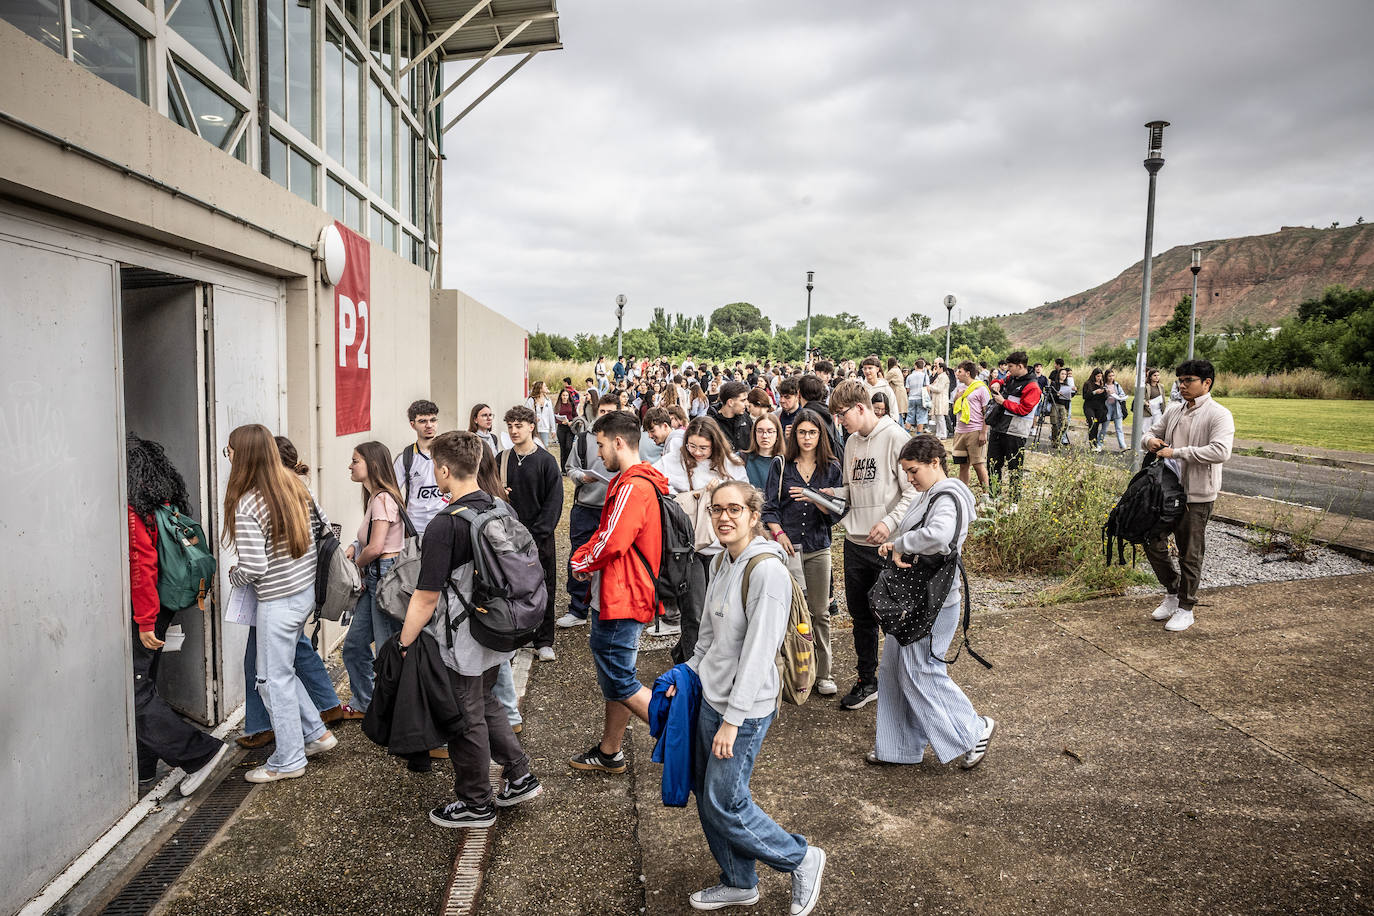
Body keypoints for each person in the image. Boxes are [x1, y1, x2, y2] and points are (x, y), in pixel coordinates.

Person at [674, 480, 827, 915]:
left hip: (745, 710)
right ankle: (739, 881)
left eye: (734, 509)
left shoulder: (766, 572)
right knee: (709, 797)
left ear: (754, 516)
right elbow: (707, 636)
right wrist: (687, 673)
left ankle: (800, 858)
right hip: (712, 697)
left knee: (726, 802)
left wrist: (732, 720)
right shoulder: (721, 559)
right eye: (717, 509)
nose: (724, 517)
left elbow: (760, 654)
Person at [397, 432, 540, 827]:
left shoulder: (445, 525)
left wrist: (404, 643)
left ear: (443, 470)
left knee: (465, 716)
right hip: (498, 624)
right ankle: (520, 775)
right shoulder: (499, 506)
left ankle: (476, 803)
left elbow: (426, 596)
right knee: (486, 701)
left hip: (463, 636)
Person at [871, 435, 996, 769]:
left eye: (913, 470)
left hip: (933, 601)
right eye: (906, 472)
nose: (909, 478)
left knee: (921, 670)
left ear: (935, 463)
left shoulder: (946, 495)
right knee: (895, 669)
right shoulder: (930, 494)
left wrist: (900, 544)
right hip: (917, 598)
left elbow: (939, 536)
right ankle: (899, 747)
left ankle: (975, 729)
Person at [223, 424, 337, 783]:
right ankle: (316, 734)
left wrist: (234, 575)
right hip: (303, 594)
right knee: (281, 674)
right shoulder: (296, 486)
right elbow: (324, 533)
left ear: (242, 456)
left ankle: (288, 760)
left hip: (277, 600)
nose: (228, 456)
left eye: (230, 450)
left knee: (271, 681)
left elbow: (255, 566)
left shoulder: (248, 503)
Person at [126, 434, 230, 794]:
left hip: (148, 612)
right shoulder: (161, 501)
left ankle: (199, 754)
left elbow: (141, 567)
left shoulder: (134, 510)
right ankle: (143, 769)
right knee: (144, 684)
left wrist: (144, 621)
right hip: (162, 608)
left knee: (134, 694)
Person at [568, 410, 669, 775]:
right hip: (623, 592)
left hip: (622, 595)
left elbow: (613, 541)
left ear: (619, 442)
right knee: (618, 676)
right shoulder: (637, 481)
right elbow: (607, 534)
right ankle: (610, 751)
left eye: (600, 445)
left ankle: (684, 737)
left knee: (621, 680)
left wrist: (581, 562)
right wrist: (585, 556)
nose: (598, 454)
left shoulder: (631, 486)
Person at [827, 380, 915, 710]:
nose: (840, 421)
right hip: (855, 542)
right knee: (861, 617)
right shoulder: (851, 442)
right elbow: (853, 489)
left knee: (893, 617)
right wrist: (831, 495)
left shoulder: (895, 437)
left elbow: (913, 490)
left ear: (860, 407)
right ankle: (867, 680)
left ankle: (902, 681)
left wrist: (889, 523)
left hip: (886, 545)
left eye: (842, 414)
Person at [1143, 359, 1235, 633]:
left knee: (1190, 554)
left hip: (1197, 496)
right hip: (1165, 492)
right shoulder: (1174, 410)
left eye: (1188, 380)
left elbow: (1220, 451)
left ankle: (1186, 608)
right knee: (1151, 540)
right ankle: (1173, 592)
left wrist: (1178, 452)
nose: (1182, 386)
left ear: (1206, 383)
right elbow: (1150, 433)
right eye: (1180, 381)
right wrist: (1150, 441)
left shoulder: (1219, 414)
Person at [761, 410, 843, 697]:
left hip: (818, 547)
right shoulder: (781, 465)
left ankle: (824, 673)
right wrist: (779, 534)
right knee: (792, 612)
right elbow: (769, 508)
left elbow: (838, 512)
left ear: (821, 435)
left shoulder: (831, 468)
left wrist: (816, 498)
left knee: (820, 612)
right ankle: (792, 670)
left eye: (812, 432)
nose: (807, 438)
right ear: (794, 434)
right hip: (789, 548)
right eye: (802, 432)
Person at [655, 416, 749, 647]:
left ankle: (716, 659)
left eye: (704, 448)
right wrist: (689, 495)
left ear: (715, 444)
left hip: (724, 547)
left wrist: (723, 490)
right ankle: (691, 661)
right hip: (689, 547)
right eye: (692, 446)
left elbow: (747, 496)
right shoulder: (673, 461)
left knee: (723, 611)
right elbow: (654, 484)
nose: (697, 452)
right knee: (694, 611)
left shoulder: (731, 464)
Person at [340, 442, 406, 721]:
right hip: (376, 577)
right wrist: (355, 545)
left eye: (356, 461)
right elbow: (370, 541)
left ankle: (394, 713)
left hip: (384, 577)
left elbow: (377, 547)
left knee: (387, 651)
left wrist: (352, 567)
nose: (350, 466)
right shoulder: (375, 498)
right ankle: (366, 703)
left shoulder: (382, 499)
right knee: (354, 646)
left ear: (373, 464)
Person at [499, 406, 564, 662]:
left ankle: (544, 640)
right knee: (510, 589)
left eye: (519, 426)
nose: (514, 431)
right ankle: (516, 637)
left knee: (543, 587)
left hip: (539, 539)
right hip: (506, 538)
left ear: (531, 427)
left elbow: (554, 503)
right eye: (510, 426)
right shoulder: (502, 459)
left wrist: (536, 535)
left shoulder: (546, 461)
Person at [558, 398, 620, 629]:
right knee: (580, 554)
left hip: (614, 508)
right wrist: (582, 477)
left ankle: (609, 606)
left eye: (610, 412)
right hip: (586, 506)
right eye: (602, 411)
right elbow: (570, 468)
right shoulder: (584, 439)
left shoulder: (624, 440)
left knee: (614, 558)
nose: (605, 415)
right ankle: (578, 608)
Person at [985, 352, 1041, 502]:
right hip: (998, 428)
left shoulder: (1033, 386)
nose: (1007, 369)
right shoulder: (1011, 378)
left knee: (1014, 468)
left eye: (1010, 366)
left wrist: (1003, 402)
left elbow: (1024, 410)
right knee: (992, 464)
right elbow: (1000, 381)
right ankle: (993, 497)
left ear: (1020, 366)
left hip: (1015, 432)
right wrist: (997, 382)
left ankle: (1014, 502)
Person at [394, 400, 445, 537]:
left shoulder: (450, 453)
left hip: (445, 525)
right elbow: (391, 493)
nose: (429, 425)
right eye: (423, 421)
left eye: (433, 420)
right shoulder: (405, 458)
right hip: (415, 529)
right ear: (413, 425)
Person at [950, 360, 990, 490]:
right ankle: (963, 492)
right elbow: (955, 408)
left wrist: (983, 432)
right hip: (960, 430)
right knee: (963, 464)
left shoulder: (981, 388)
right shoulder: (960, 388)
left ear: (967, 373)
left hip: (975, 430)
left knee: (978, 464)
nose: (957, 374)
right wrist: (957, 397)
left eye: (959, 371)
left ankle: (986, 494)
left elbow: (987, 412)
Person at [709, 380, 754, 455]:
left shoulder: (745, 418)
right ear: (730, 402)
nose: (747, 404)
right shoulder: (711, 423)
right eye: (743, 400)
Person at [743, 411, 783, 491]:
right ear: (754, 434)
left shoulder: (784, 462)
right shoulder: (742, 458)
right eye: (760, 431)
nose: (765, 436)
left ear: (777, 435)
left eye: (770, 431)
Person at [1082, 368, 1108, 452]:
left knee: (1096, 425)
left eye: (1100, 376)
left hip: (1099, 408)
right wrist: (1094, 392)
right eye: (1097, 376)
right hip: (1089, 406)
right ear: (1094, 376)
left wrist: (1105, 392)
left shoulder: (1102, 384)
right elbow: (1085, 396)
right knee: (1092, 423)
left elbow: (1104, 398)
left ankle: (1094, 442)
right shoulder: (1088, 384)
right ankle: (1092, 444)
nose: (1099, 378)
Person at [1104, 368, 1129, 451]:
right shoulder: (1104, 385)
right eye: (1109, 376)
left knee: (1119, 428)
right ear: (1106, 377)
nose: (1111, 378)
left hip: (1116, 408)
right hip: (1107, 408)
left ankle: (1123, 446)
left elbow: (1122, 394)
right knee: (1104, 428)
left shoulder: (1117, 385)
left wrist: (1121, 396)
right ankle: (1099, 444)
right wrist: (1106, 393)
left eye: (1113, 376)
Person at [555, 387, 579, 471]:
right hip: (561, 428)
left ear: (568, 396)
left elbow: (575, 416)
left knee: (569, 447)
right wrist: (561, 421)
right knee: (563, 448)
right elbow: (555, 417)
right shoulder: (558, 405)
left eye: (566, 395)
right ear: (561, 396)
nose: (565, 397)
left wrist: (572, 422)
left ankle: (569, 467)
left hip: (570, 428)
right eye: (563, 395)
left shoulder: (571, 404)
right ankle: (563, 469)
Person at [526, 381, 556, 448]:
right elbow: (526, 413)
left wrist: (553, 429)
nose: (546, 387)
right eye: (544, 386)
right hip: (533, 428)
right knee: (533, 447)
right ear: (540, 389)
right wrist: (533, 418)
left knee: (544, 447)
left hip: (544, 428)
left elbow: (551, 415)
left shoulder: (548, 401)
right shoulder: (531, 400)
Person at [926, 359, 951, 439]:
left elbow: (939, 389)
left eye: (937, 368)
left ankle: (943, 434)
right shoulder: (940, 377)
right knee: (937, 417)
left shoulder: (943, 377)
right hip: (937, 399)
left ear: (941, 368)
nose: (936, 369)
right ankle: (939, 433)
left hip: (941, 399)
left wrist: (930, 387)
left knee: (940, 417)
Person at [906, 358, 930, 433]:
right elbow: (927, 388)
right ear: (923, 367)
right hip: (921, 398)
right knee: (921, 417)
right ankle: (919, 434)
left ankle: (906, 432)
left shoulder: (909, 376)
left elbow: (907, 389)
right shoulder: (925, 376)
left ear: (915, 366)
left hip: (911, 398)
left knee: (910, 416)